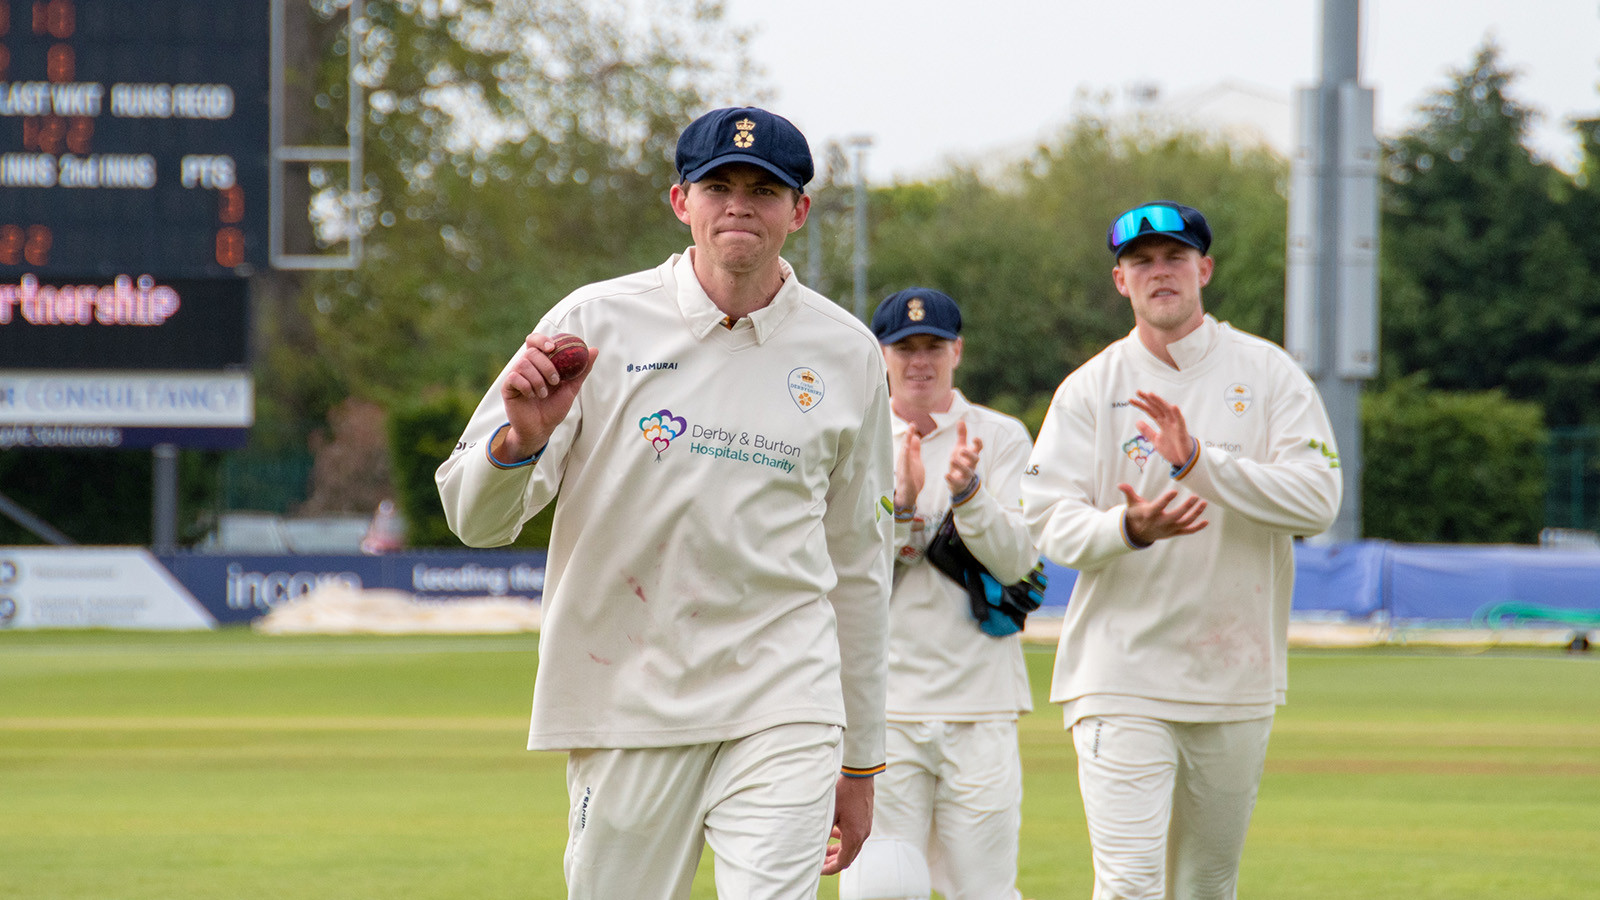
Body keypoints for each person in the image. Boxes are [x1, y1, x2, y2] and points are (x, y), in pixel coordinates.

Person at [435, 107, 895, 900]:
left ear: (800, 210)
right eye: (719, 185)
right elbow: (474, 520)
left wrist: (860, 759)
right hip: (625, 696)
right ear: (681, 201)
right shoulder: (592, 323)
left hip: (785, 693)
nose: (740, 206)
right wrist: (521, 442)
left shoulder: (847, 351)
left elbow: (858, 563)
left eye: (765, 189)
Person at [1020, 201, 1343, 900]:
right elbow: (1045, 519)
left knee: (1205, 885)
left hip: (1235, 676)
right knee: (1131, 883)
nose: (1158, 272)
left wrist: (1199, 463)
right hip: (1119, 672)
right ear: (1119, 281)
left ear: (1205, 268)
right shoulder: (1090, 389)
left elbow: (1319, 500)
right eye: (1141, 261)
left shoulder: (1268, 373)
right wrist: (1127, 531)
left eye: (1172, 257)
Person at [848, 287, 1038, 900]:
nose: (919, 361)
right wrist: (901, 508)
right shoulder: (856, 434)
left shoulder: (999, 437)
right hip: (884, 709)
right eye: (905, 349)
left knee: (982, 890)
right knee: (879, 888)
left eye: (933, 346)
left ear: (957, 350)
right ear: (882, 355)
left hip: (980, 703)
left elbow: (1018, 563)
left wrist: (970, 496)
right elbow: (849, 577)